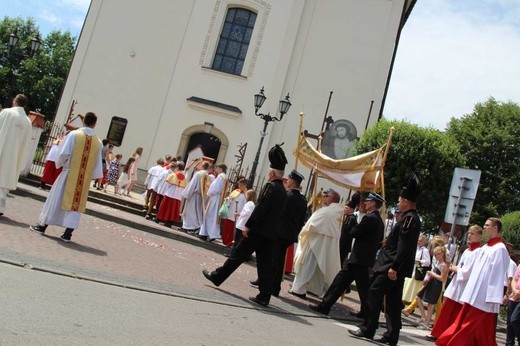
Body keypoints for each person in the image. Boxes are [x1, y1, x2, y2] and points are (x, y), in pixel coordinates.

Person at [202, 144, 288, 307]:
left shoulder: (270, 187)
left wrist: (248, 225)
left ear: (271, 173)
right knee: (265, 265)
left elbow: (260, 208)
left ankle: (217, 276)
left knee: (237, 255)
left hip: (258, 231)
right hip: (270, 234)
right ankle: (264, 295)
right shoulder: (283, 191)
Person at [349, 172, 422, 346]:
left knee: (373, 292)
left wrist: (394, 267)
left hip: (391, 266)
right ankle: (392, 334)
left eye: (399, 200)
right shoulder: (411, 219)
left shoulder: (408, 220)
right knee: (392, 302)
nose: (397, 203)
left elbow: (404, 248)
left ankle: (369, 328)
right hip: (395, 266)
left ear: (405, 201)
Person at [308, 192, 385, 319]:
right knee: (345, 283)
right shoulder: (379, 221)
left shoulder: (369, 218)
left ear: (373, 203)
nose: (365, 203)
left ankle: (368, 315)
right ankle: (327, 305)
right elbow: (378, 243)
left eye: (368, 201)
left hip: (358, 259)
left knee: (353, 286)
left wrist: (352, 223)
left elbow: (354, 232)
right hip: (363, 259)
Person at [29, 112, 103, 242]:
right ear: (95, 124)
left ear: (84, 121)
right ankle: (67, 234)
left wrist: (60, 164)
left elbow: (63, 153)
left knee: (55, 200)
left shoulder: (74, 134)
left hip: (68, 174)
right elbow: (97, 164)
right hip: (83, 179)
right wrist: (91, 176)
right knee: (75, 205)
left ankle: (42, 226)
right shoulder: (98, 142)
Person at [436, 217, 510, 346]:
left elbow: (497, 275)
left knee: (472, 327)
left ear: (495, 228)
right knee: (472, 327)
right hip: (473, 295)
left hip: (484, 298)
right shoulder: (485, 247)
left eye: (487, 225)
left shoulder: (500, 249)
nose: (485, 227)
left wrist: (492, 297)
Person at [427, 224, 482, 341]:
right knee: (446, 311)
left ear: (479, 237)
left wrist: (454, 268)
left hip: (464, 286)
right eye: (469, 234)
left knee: (455, 314)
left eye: (473, 234)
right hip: (457, 284)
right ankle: (438, 333)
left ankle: (448, 336)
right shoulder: (467, 250)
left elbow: (468, 272)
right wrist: (454, 268)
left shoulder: (478, 252)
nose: (469, 236)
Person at [290, 188, 345, 298]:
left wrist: (304, 230)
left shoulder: (326, 211)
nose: (324, 197)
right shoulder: (338, 212)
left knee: (307, 265)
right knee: (319, 268)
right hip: (325, 243)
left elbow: (311, 225)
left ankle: (299, 289)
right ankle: (314, 289)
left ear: (331, 198)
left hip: (316, 242)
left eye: (326, 195)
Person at [0, 94, 32, 217]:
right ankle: (1, 207)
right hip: (14, 156)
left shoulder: (6, 113)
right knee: (3, 182)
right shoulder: (27, 121)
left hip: (2, 150)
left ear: (14, 101)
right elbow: (26, 143)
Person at [416, 245, 449, 329]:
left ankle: (426, 323)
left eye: (437, 254)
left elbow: (443, 279)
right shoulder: (438, 263)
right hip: (431, 283)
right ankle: (424, 317)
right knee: (418, 297)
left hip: (436, 285)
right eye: (435, 255)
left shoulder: (443, 265)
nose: (436, 256)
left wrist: (432, 274)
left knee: (431, 304)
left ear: (442, 254)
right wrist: (428, 277)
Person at [198, 163, 227, 241]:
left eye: (217, 167)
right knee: (213, 216)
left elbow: (215, 188)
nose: (216, 169)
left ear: (221, 168)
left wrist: (208, 192)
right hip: (218, 198)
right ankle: (208, 233)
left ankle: (208, 234)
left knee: (210, 215)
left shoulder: (220, 177)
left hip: (214, 198)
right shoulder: (224, 177)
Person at [402, 235, 431, 304]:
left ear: (424, 242)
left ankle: (411, 303)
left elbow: (427, 262)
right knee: (407, 285)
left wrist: (419, 261)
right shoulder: (417, 249)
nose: (418, 242)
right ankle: (406, 301)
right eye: (418, 240)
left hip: (417, 271)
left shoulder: (425, 250)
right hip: (412, 269)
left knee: (413, 287)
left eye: (420, 241)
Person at [181, 161, 210, 232]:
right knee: (198, 212)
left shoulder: (198, 174)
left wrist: (187, 194)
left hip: (194, 194)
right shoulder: (207, 175)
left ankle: (188, 226)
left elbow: (192, 184)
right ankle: (197, 226)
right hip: (201, 196)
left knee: (190, 211)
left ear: (201, 166)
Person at [221, 178, 248, 247]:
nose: (239, 187)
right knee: (227, 229)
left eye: (241, 185)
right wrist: (227, 200)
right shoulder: (235, 191)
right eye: (239, 185)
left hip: (239, 215)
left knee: (233, 231)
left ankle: (231, 243)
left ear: (245, 186)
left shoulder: (246, 195)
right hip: (231, 213)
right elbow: (230, 200)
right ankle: (226, 242)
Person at [339, 192, 360, 266]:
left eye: (346, 208)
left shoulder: (352, 218)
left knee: (340, 261)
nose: (344, 209)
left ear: (351, 209)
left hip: (344, 244)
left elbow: (347, 232)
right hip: (341, 243)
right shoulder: (347, 217)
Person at [506, 263, 520, 346]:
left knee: (514, 319)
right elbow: (514, 280)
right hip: (514, 297)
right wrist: (515, 290)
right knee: (509, 325)